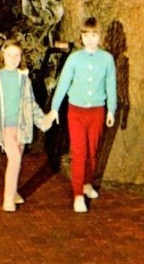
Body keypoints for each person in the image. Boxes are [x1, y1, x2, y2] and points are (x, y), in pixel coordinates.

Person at [49, 16, 117, 213]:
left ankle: (87, 184)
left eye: (94, 35)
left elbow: (110, 85)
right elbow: (63, 83)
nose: (90, 39)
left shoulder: (107, 59)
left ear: (99, 36)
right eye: (86, 35)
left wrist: (111, 109)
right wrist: (55, 108)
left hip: (96, 111)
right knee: (79, 152)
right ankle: (78, 194)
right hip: (76, 111)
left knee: (93, 153)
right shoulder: (74, 58)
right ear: (81, 36)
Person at [0, 38, 55, 212]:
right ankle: (8, 199)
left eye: (17, 55)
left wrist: (44, 119)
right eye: (9, 55)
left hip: (21, 126)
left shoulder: (24, 78)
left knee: (17, 159)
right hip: (5, 126)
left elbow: (30, 103)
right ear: (3, 55)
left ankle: (13, 191)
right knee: (14, 159)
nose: (13, 59)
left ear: (21, 57)